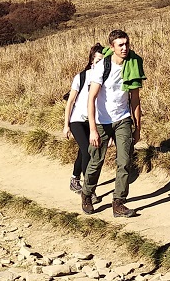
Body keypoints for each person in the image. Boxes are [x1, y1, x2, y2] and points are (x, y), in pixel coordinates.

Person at [81, 30, 146, 218]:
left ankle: (118, 202)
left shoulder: (133, 65)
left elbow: (135, 100)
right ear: (112, 47)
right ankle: (87, 193)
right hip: (102, 121)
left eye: (126, 44)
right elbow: (91, 98)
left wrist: (137, 128)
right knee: (96, 161)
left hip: (122, 119)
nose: (125, 48)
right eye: (120, 45)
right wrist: (92, 129)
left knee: (124, 161)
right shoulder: (102, 67)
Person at [62, 43, 104, 193]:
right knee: (87, 151)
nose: (100, 64)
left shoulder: (105, 78)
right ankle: (88, 189)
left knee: (83, 150)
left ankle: (74, 179)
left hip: (92, 121)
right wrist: (66, 125)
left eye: (103, 61)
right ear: (92, 60)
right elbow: (71, 101)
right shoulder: (81, 77)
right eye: (98, 60)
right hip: (77, 120)